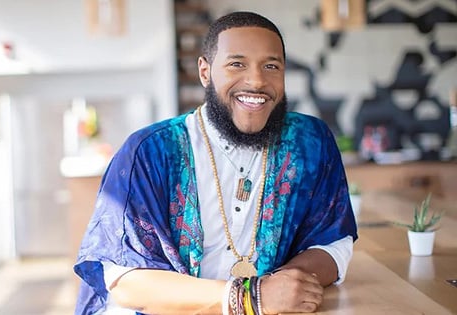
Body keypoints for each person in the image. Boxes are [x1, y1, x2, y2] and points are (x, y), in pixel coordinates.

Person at [74, 11, 358, 315]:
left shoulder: (310, 142)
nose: (257, 80)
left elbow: (333, 243)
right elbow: (125, 281)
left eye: (271, 66)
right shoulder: (149, 152)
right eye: (237, 64)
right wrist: (250, 298)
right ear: (205, 72)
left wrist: (283, 288)